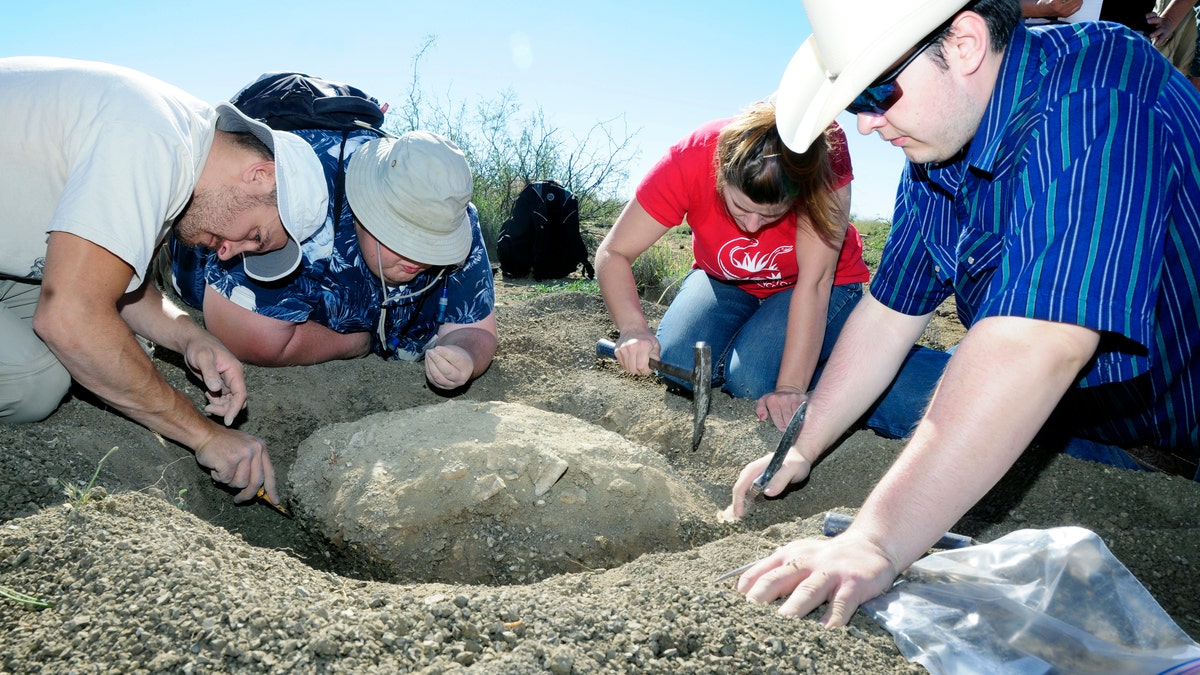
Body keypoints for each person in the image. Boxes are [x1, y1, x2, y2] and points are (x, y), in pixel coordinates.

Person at [725, 0, 1200, 627]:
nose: (866, 125)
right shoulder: (935, 148)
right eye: (854, 104)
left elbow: (1040, 343)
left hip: (1162, 425)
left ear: (967, 44)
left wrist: (875, 540)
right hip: (1062, 408)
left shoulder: (1100, 91)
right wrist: (802, 446)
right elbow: (887, 312)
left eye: (876, 92)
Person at [0, 56, 329, 504]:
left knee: (110, 354)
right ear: (258, 175)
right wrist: (203, 434)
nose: (230, 252)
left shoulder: (183, 144)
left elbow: (112, 281)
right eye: (255, 235)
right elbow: (70, 316)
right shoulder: (152, 142)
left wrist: (190, 337)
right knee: (36, 380)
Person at [595, 103, 872, 431]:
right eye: (740, 207)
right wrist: (632, 328)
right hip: (725, 281)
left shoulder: (821, 158)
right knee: (676, 364)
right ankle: (759, 338)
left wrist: (790, 388)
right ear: (720, 173)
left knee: (752, 381)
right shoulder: (692, 158)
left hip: (812, 285)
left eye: (771, 214)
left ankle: (841, 353)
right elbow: (613, 252)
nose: (753, 226)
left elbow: (816, 282)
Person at [168, 129, 497, 391]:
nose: (421, 256)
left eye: (434, 245)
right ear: (366, 210)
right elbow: (241, 330)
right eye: (405, 237)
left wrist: (464, 356)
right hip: (190, 252)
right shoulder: (301, 200)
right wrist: (353, 343)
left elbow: (477, 330)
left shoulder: (451, 209)